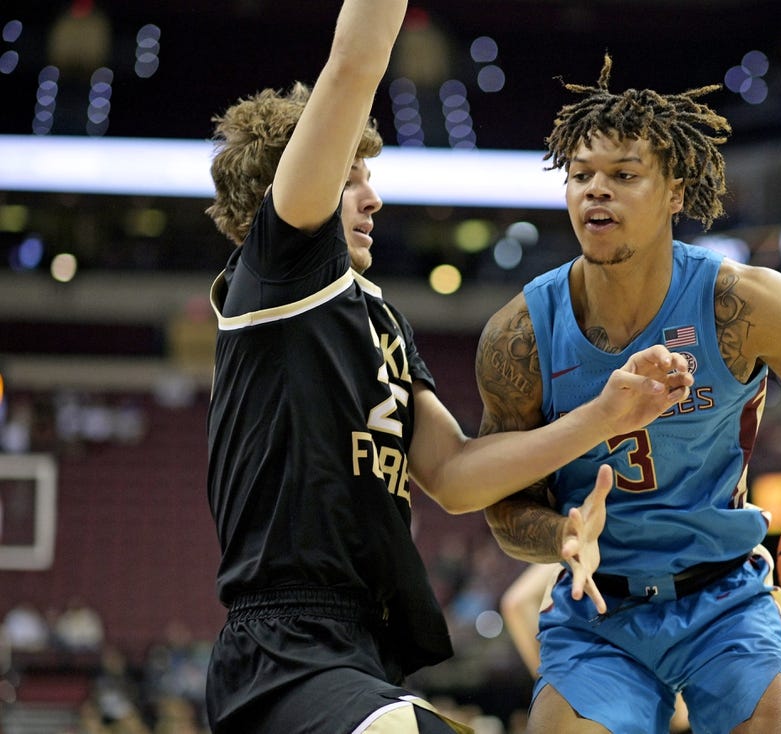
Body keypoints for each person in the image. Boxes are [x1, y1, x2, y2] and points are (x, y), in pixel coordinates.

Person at [201, 4, 694, 733]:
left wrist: (606, 419)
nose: (373, 196)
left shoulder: (378, 319)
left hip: (360, 648)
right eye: (349, 177)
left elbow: (456, 474)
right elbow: (355, 62)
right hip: (284, 651)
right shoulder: (281, 269)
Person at [477, 54, 781, 734]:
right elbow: (500, 500)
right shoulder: (521, 333)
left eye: (623, 176)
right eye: (582, 175)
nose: (596, 192)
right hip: (598, 615)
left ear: (675, 191)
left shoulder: (746, 304)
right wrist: (559, 532)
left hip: (726, 600)